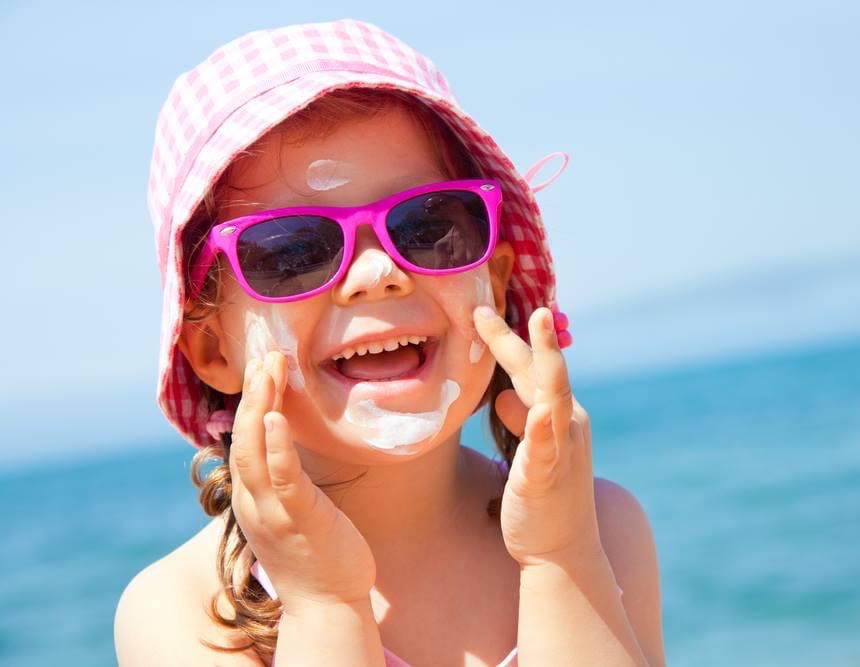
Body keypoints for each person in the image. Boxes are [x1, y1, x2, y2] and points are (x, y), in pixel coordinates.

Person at [114, 19, 665, 667]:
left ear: (494, 280)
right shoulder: (186, 611)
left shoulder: (600, 528)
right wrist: (324, 606)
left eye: (428, 225)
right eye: (292, 250)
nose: (378, 273)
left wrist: (561, 558)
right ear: (212, 350)